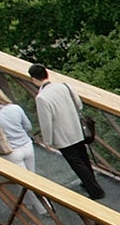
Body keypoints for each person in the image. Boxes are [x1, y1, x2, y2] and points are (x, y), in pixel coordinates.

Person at [27, 64, 105, 199]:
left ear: (34, 79)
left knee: (76, 163)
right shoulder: (65, 86)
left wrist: (47, 141)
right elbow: (79, 104)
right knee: (84, 159)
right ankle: (90, 183)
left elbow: (46, 122)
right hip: (77, 129)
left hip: (62, 135)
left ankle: (95, 190)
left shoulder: (42, 97)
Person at [0, 83, 38, 173]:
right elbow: (28, 127)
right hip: (27, 145)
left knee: (23, 182)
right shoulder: (16, 108)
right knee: (33, 176)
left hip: (11, 151)